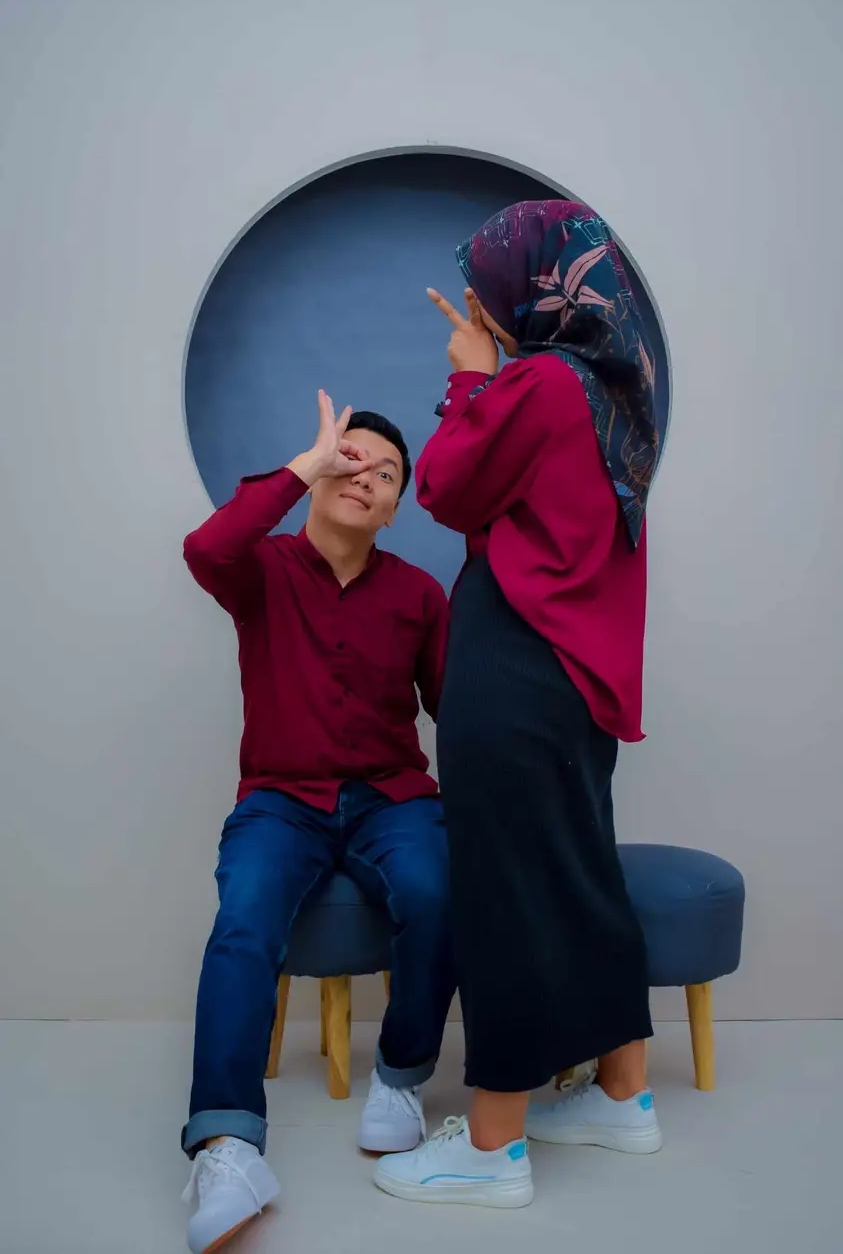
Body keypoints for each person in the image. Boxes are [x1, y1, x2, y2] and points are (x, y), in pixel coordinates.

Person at [373, 199, 664, 1209]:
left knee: (500, 895)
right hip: (581, 679)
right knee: (583, 877)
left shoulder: (538, 383)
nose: (482, 305)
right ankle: (623, 1097)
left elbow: (447, 487)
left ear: (532, 292)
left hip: (516, 668)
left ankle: (491, 1146)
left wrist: (470, 373)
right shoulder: (615, 396)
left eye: (489, 288)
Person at [180, 393, 455, 1252]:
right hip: (279, 798)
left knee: (436, 890)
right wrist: (307, 462)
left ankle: (400, 1077)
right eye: (351, 460)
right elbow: (204, 547)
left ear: (397, 506)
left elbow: (453, 711)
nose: (364, 478)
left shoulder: (418, 594)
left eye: (386, 475)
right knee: (242, 919)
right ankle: (227, 1146)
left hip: (390, 796)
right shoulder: (259, 568)